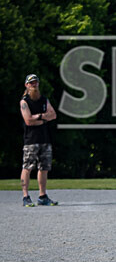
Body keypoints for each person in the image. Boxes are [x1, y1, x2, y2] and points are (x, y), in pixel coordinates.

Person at [19, 74, 58, 207]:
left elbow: (53, 115)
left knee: (44, 168)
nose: (34, 85)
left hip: (44, 139)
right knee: (27, 167)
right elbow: (28, 121)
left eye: (35, 83)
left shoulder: (44, 100)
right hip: (31, 140)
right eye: (31, 83)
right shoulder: (24, 102)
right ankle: (25, 196)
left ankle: (42, 196)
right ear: (27, 85)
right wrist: (43, 118)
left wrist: (39, 117)